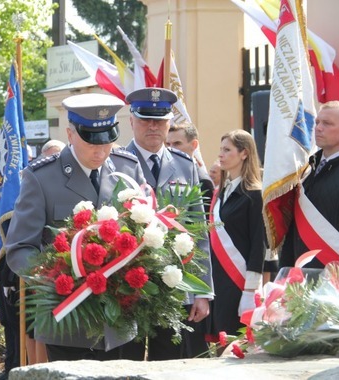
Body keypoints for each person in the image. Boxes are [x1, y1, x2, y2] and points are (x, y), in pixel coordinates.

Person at [5, 93, 147, 362]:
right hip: (69, 322)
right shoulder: (41, 177)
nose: (101, 150)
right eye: (91, 141)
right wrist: (55, 278)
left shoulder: (128, 168)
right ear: (70, 134)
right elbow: (19, 248)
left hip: (120, 322)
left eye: (107, 140)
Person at [125, 87, 213, 360]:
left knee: (170, 363)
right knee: (125, 364)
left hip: (173, 284)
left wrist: (202, 290)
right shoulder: (116, 161)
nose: (153, 126)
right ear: (131, 121)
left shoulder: (185, 165)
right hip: (127, 284)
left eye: (160, 120)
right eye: (145, 119)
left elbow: (198, 229)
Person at [280, 101, 339, 276]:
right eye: (318, 122)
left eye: (327, 123)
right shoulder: (305, 172)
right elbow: (293, 232)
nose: (318, 128)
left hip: (337, 286)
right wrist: (284, 281)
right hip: (299, 284)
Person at [209, 129, 265, 338]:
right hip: (218, 279)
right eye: (220, 149)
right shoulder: (222, 191)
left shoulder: (254, 194)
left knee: (235, 341)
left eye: (227, 150)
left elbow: (258, 245)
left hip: (239, 280)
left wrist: (250, 291)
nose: (220, 155)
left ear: (244, 153)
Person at [167, 122, 215, 212]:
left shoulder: (203, 181)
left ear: (194, 145)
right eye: (168, 144)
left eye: (177, 143)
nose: (170, 149)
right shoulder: (165, 173)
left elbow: (201, 222)